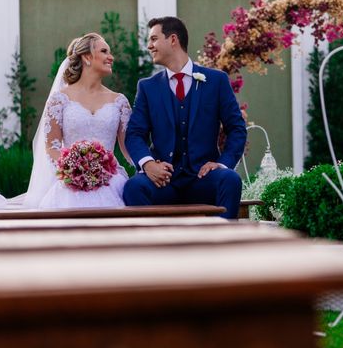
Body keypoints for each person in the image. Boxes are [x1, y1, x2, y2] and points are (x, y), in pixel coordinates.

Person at [123, 16, 246, 218]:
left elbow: (236, 128)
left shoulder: (216, 81)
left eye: (154, 39)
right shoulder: (147, 87)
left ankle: (223, 245)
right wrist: (148, 164)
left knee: (230, 179)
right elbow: (135, 133)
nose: (149, 46)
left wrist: (222, 163)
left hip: (202, 178)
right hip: (163, 181)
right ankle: (151, 248)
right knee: (134, 187)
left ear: (173, 39)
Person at [22, 32, 132, 208]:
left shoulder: (119, 101)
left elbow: (128, 147)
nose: (111, 57)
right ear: (87, 57)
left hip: (111, 179)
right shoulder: (60, 100)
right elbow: (52, 146)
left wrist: (147, 168)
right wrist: (75, 170)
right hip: (72, 182)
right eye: (104, 51)